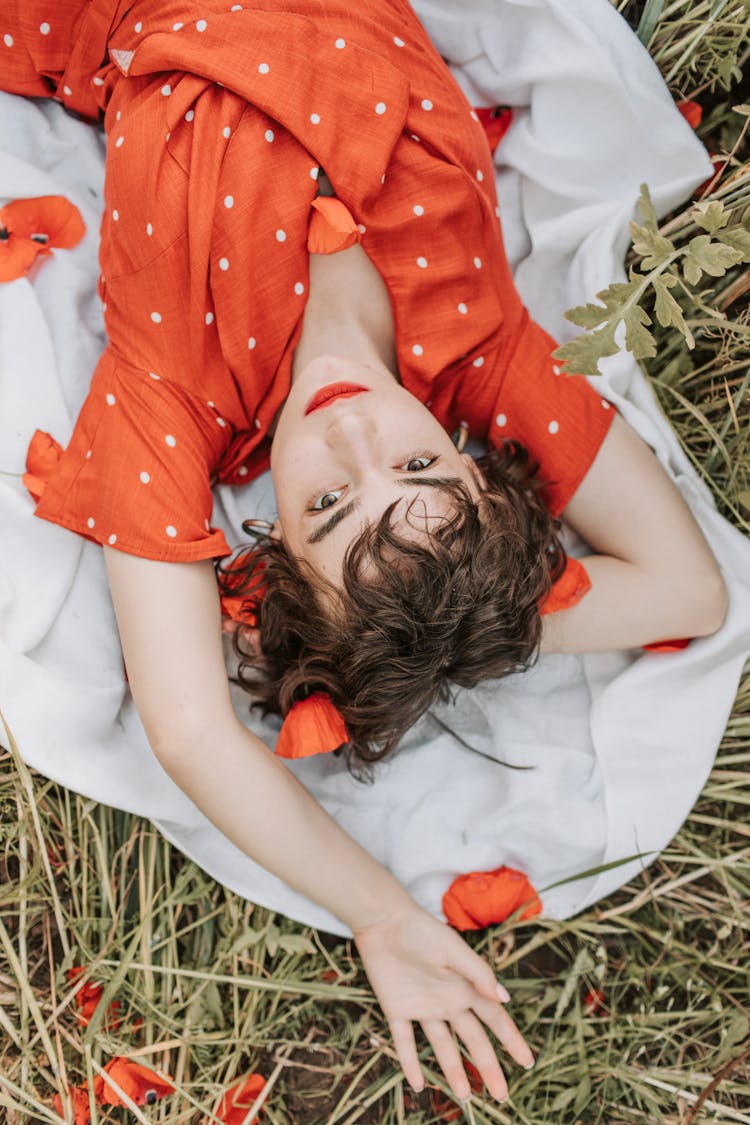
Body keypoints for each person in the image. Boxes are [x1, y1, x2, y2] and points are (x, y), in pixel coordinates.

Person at [1, 0, 728, 1105]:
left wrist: (382, 917)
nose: (354, 434)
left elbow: (192, 731)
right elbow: (692, 588)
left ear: (275, 551)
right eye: (423, 475)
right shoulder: (478, 340)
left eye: (330, 506)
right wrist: (453, 618)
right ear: (477, 474)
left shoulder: (172, 400)